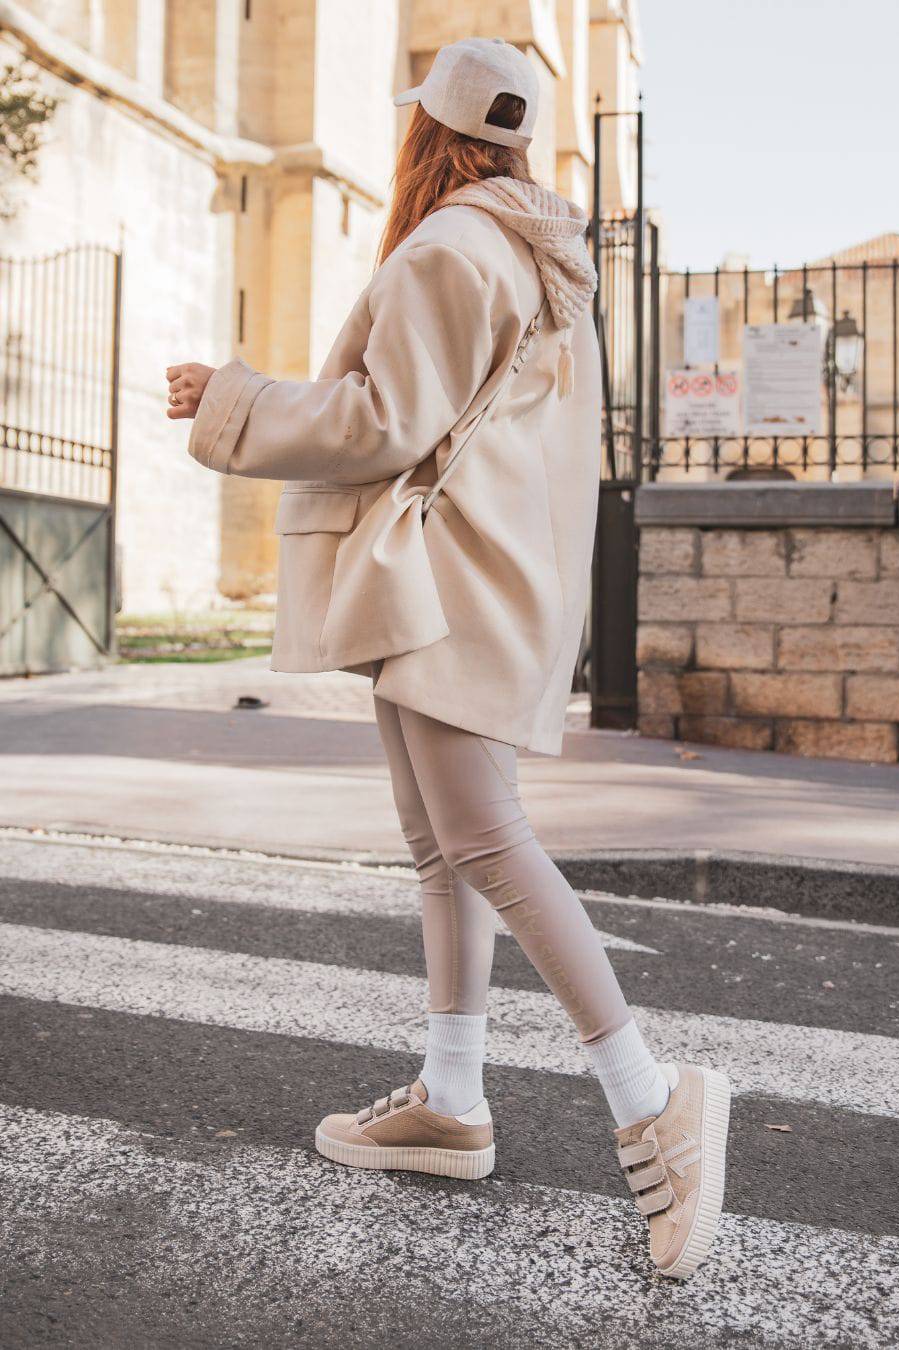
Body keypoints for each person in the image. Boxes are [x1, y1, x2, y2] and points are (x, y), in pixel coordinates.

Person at [165, 36, 730, 1280]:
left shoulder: (445, 250)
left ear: (427, 131)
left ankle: (653, 1100)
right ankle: (452, 1097)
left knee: (483, 844)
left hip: (448, 583)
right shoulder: (548, 262)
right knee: (448, 846)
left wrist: (231, 395)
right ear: (516, 139)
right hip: (498, 576)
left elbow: (382, 421)